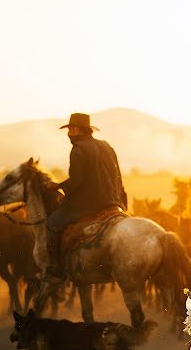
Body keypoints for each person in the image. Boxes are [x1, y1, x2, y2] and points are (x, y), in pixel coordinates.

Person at [43, 112, 128, 284]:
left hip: (89, 204)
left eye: (70, 130)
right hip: (112, 201)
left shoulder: (78, 149)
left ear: (76, 130)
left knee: (51, 223)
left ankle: (56, 268)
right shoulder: (106, 145)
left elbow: (76, 181)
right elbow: (117, 174)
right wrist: (121, 197)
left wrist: (58, 186)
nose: (68, 134)